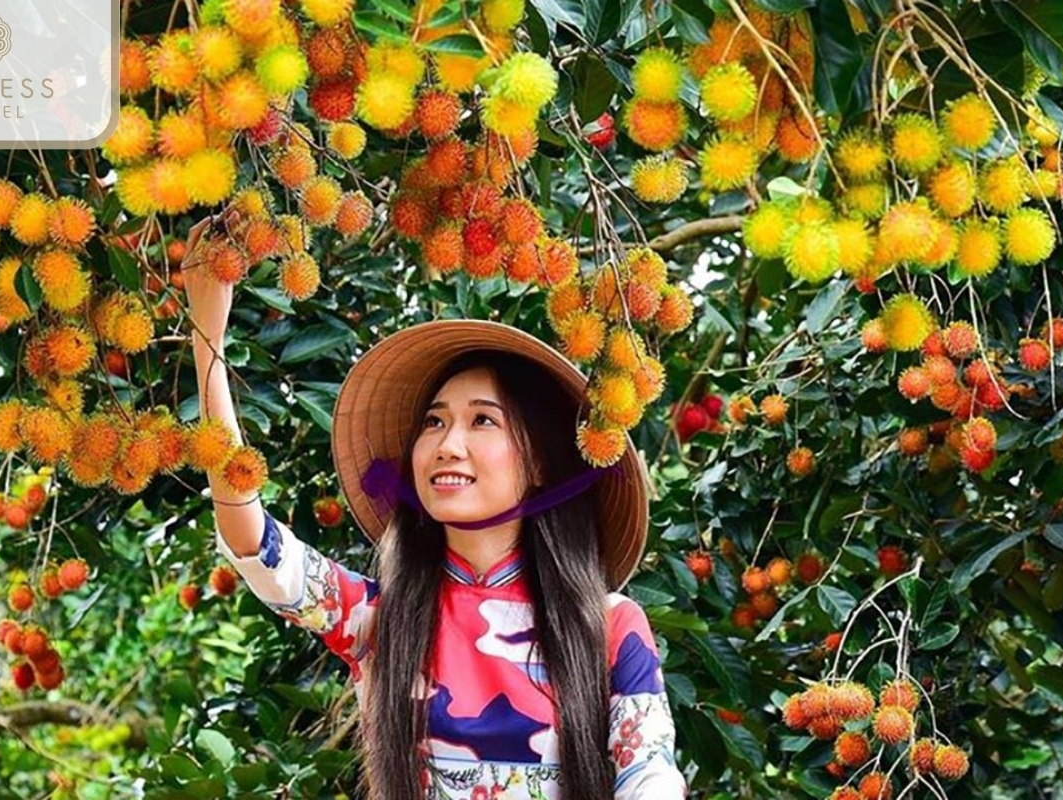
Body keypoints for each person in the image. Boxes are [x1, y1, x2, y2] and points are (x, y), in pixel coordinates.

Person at [185, 221, 688, 800]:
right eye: (434, 422)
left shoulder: (610, 627)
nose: (448, 444)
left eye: (482, 420)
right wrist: (209, 344)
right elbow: (256, 544)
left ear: (542, 463)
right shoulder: (381, 619)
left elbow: (650, 776)